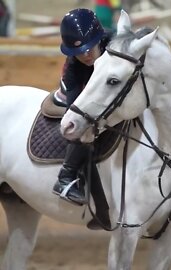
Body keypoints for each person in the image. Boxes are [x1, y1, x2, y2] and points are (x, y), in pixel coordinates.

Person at [52, 8, 112, 205]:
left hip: (106, 83)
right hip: (80, 86)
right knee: (82, 122)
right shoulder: (73, 68)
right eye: (78, 52)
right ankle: (66, 177)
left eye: (89, 48)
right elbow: (76, 107)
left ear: (99, 39)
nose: (85, 55)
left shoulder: (114, 42)